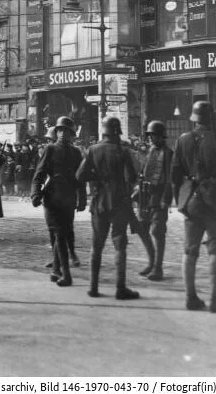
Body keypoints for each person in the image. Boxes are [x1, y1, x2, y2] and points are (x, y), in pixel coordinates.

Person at [171, 101, 216, 313]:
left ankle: (190, 297)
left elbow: (174, 175)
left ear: (194, 119)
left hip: (191, 200)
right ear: (211, 119)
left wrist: (180, 201)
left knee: (189, 250)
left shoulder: (182, 140)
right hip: (214, 200)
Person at [76, 116, 140, 300]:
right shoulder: (124, 151)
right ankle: (120, 288)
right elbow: (132, 177)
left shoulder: (93, 150)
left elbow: (80, 175)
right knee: (120, 245)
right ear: (117, 131)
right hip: (119, 202)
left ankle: (93, 287)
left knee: (97, 245)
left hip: (99, 201)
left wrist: (97, 177)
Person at [31, 116, 86, 287]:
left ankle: (56, 270)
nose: (62, 133)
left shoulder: (76, 152)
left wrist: (82, 198)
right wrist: (35, 193)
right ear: (56, 132)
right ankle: (64, 273)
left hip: (69, 197)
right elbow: (39, 174)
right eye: (60, 130)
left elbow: (81, 178)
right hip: (52, 196)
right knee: (59, 233)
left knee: (63, 233)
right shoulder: (50, 149)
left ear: (72, 134)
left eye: (66, 131)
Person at [135, 120, 174, 282]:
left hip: (159, 196)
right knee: (141, 228)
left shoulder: (168, 153)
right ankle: (151, 262)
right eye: (150, 135)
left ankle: (158, 267)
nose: (151, 138)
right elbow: (143, 172)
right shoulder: (149, 151)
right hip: (145, 195)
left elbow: (170, 179)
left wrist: (166, 198)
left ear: (161, 136)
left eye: (154, 135)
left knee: (158, 231)